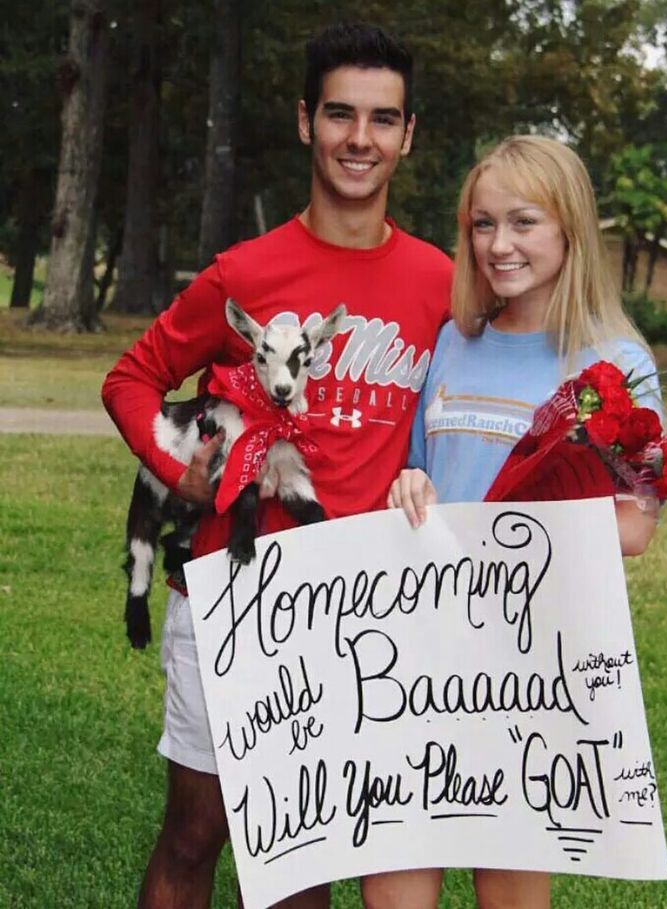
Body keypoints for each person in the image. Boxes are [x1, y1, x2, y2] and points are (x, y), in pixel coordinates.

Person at [102, 22, 452, 909]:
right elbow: (132, 376)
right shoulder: (244, 273)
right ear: (307, 121)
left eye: (383, 119)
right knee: (193, 832)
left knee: (302, 856)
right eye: (340, 114)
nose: (359, 139)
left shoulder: (440, 283)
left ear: (408, 134)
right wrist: (181, 471)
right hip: (230, 590)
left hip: (355, 610)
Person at [365, 135, 663, 909]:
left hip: (533, 662)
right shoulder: (452, 343)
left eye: (524, 222)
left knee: (509, 888)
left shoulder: (616, 362)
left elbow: (636, 526)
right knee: (394, 876)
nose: (499, 245)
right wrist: (411, 486)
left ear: (571, 227)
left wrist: (532, 516)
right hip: (420, 651)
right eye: (482, 223)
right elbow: (420, 473)